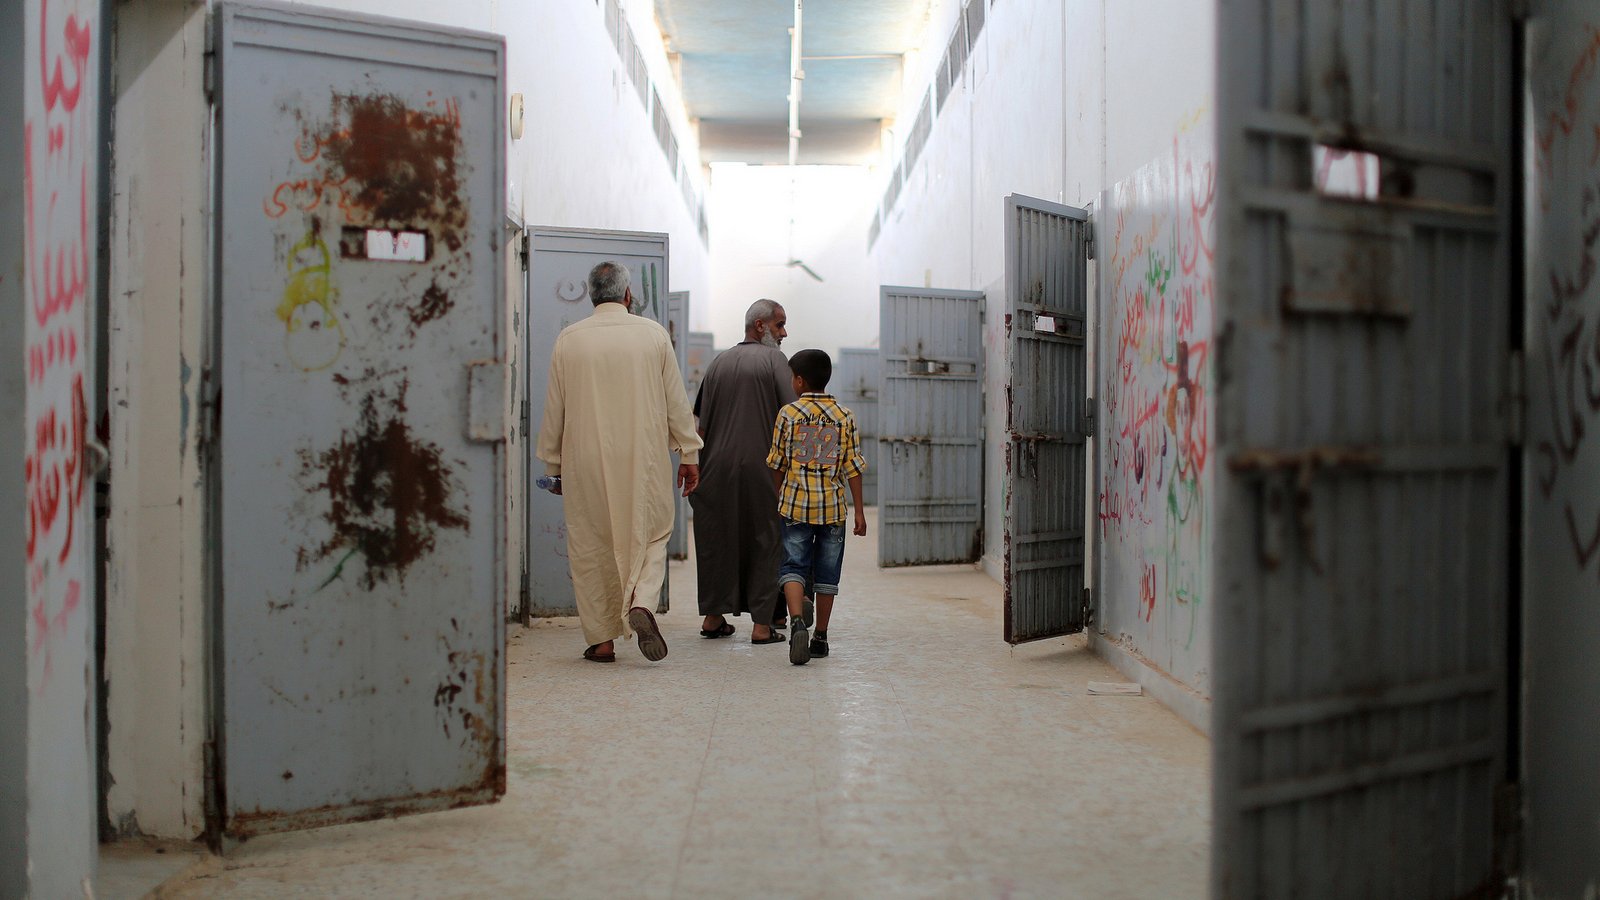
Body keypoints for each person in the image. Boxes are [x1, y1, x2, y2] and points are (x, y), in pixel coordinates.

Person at [536, 261, 703, 663]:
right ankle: (643, 601)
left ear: (592, 295)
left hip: (585, 459)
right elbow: (676, 403)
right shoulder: (654, 335)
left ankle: (602, 640)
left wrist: (553, 466)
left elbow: (555, 408)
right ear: (628, 295)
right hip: (643, 456)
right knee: (653, 532)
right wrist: (689, 452)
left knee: (591, 543)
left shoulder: (569, 339)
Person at [689, 299, 797, 645]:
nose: (783, 333)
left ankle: (713, 617)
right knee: (766, 539)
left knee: (716, 539)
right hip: (763, 467)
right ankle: (763, 626)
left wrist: (693, 464)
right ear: (760, 325)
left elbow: (699, 426)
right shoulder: (774, 361)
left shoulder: (718, 362)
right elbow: (791, 418)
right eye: (779, 325)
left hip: (715, 467)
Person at [765, 350, 867, 666]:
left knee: (793, 565)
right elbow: (853, 467)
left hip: (795, 505)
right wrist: (860, 511)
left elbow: (777, 462)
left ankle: (796, 620)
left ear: (799, 380)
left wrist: (779, 494)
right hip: (833, 509)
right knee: (827, 574)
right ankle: (820, 636)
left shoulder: (788, 414)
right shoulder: (844, 416)